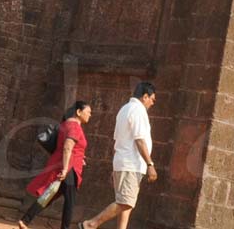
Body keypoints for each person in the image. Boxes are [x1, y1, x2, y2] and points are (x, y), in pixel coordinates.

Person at [81, 82, 157, 229]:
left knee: (126, 205)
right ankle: (92, 223)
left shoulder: (125, 109)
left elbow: (120, 140)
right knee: (126, 202)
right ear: (145, 96)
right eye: (152, 99)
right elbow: (140, 140)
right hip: (131, 163)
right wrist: (150, 164)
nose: (152, 103)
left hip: (124, 162)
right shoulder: (138, 110)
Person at [17, 100, 91, 229]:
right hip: (70, 168)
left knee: (49, 196)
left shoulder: (65, 124)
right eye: (88, 112)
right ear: (79, 112)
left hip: (63, 164)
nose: (90, 115)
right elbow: (67, 147)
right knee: (70, 201)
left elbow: (69, 147)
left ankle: (25, 220)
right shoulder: (75, 127)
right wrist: (65, 168)